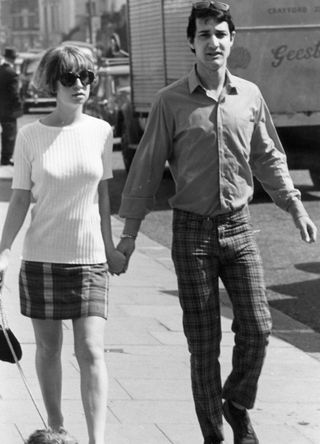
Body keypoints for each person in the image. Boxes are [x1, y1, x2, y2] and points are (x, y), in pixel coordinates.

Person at [116, 2, 317, 444]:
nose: (214, 42)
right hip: (191, 233)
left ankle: (237, 404)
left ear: (232, 40)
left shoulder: (250, 95)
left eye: (221, 33)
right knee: (203, 343)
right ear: (192, 41)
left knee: (259, 328)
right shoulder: (170, 101)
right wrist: (129, 236)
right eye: (204, 34)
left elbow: (268, 156)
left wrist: (295, 206)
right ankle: (214, 434)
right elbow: (146, 170)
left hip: (240, 227)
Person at [0, 45, 126, 444]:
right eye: (70, 78)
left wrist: (111, 248)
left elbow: (104, 198)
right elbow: (20, 198)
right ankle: (56, 430)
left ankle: (96, 440)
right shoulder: (30, 136)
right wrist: (3, 251)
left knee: (90, 350)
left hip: (89, 260)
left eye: (86, 77)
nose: (79, 86)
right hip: (42, 258)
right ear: (52, 82)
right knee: (49, 350)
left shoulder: (101, 131)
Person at [0, 47, 23, 165]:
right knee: (10, 134)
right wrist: (18, 106)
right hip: (9, 110)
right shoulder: (12, 73)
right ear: (13, 59)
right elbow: (14, 93)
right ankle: (6, 158)